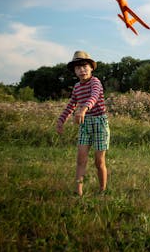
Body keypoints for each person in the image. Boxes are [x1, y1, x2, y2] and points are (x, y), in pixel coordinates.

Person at [56, 51, 110, 196]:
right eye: (78, 68)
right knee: (81, 158)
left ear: (91, 68)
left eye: (84, 66)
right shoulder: (76, 87)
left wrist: (84, 109)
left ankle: (102, 190)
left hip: (99, 123)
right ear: (74, 71)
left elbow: (94, 96)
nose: (82, 70)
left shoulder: (95, 82)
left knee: (99, 162)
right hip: (85, 124)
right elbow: (71, 105)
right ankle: (78, 192)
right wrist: (61, 121)